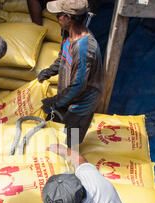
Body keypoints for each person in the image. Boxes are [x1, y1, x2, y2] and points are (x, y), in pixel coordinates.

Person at [37, 0, 103, 148]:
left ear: (68, 17)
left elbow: (78, 86)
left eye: (58, 15)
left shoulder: (84, 47)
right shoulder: (68, 33)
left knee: (70, 142)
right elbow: (63, 56)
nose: (56, 18)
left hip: (81, 103)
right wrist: (49, 72)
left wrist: (54, 102)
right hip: (68, 94)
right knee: (52, 130)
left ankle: (71, 164)